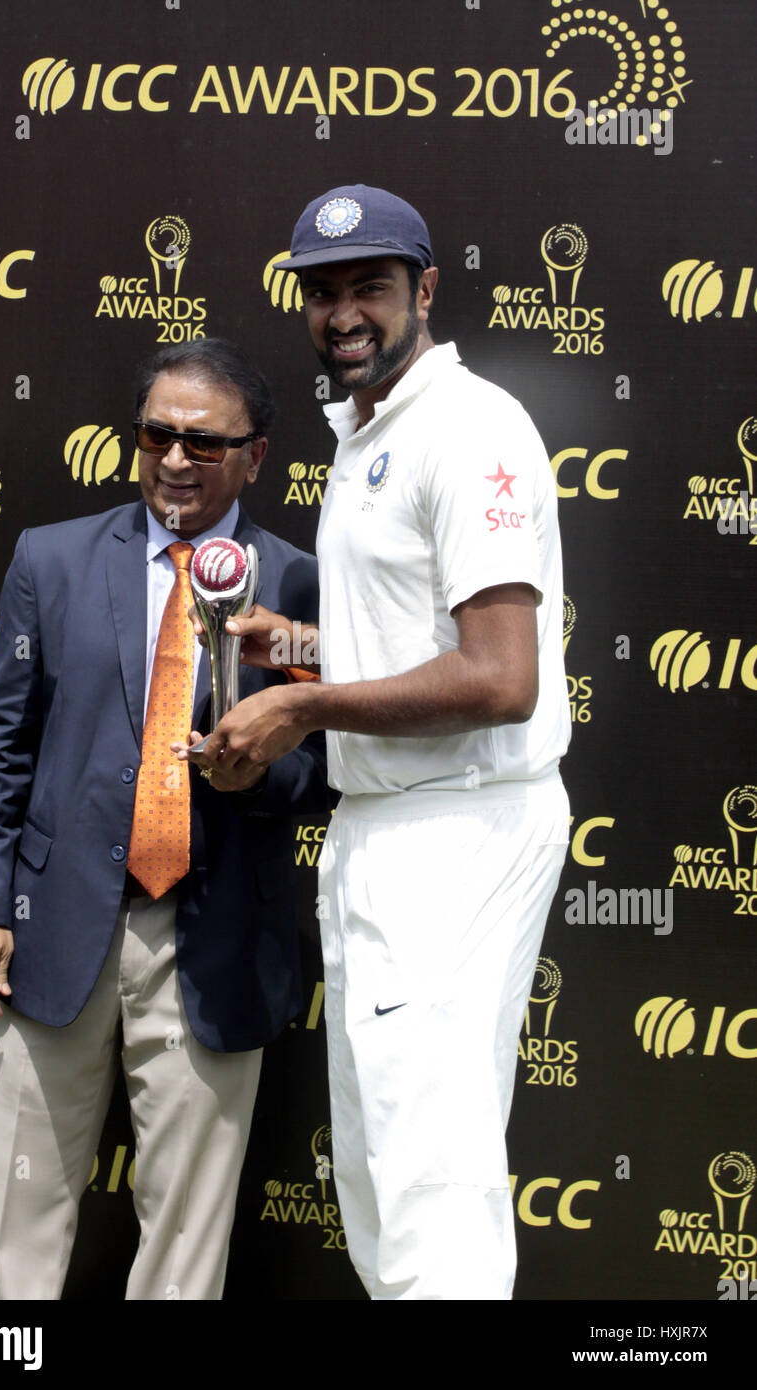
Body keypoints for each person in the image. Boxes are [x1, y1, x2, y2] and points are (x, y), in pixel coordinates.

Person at [186, 187, 571, 1300]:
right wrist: (298, 644)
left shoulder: (469, 427)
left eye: (370, 286)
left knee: (428, 1185)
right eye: (323, 290)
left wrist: (298, 708)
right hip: (387, 829)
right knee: (377, 1172)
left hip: (453, 827)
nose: (343, 311)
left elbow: (499, 677)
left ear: (424, 291)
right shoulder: (366, 432)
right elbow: (409, 640)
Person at [0, 338, 328, 1300]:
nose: (173, 460)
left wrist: (256, 777)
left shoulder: (302, 588)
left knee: (187, 1242)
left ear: (257, 456)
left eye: (204, 444)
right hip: (53, 930)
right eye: (156, 434)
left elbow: (328, 773)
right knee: (17, 1224)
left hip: (216, 937)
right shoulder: (53, 559)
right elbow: (0, 747)